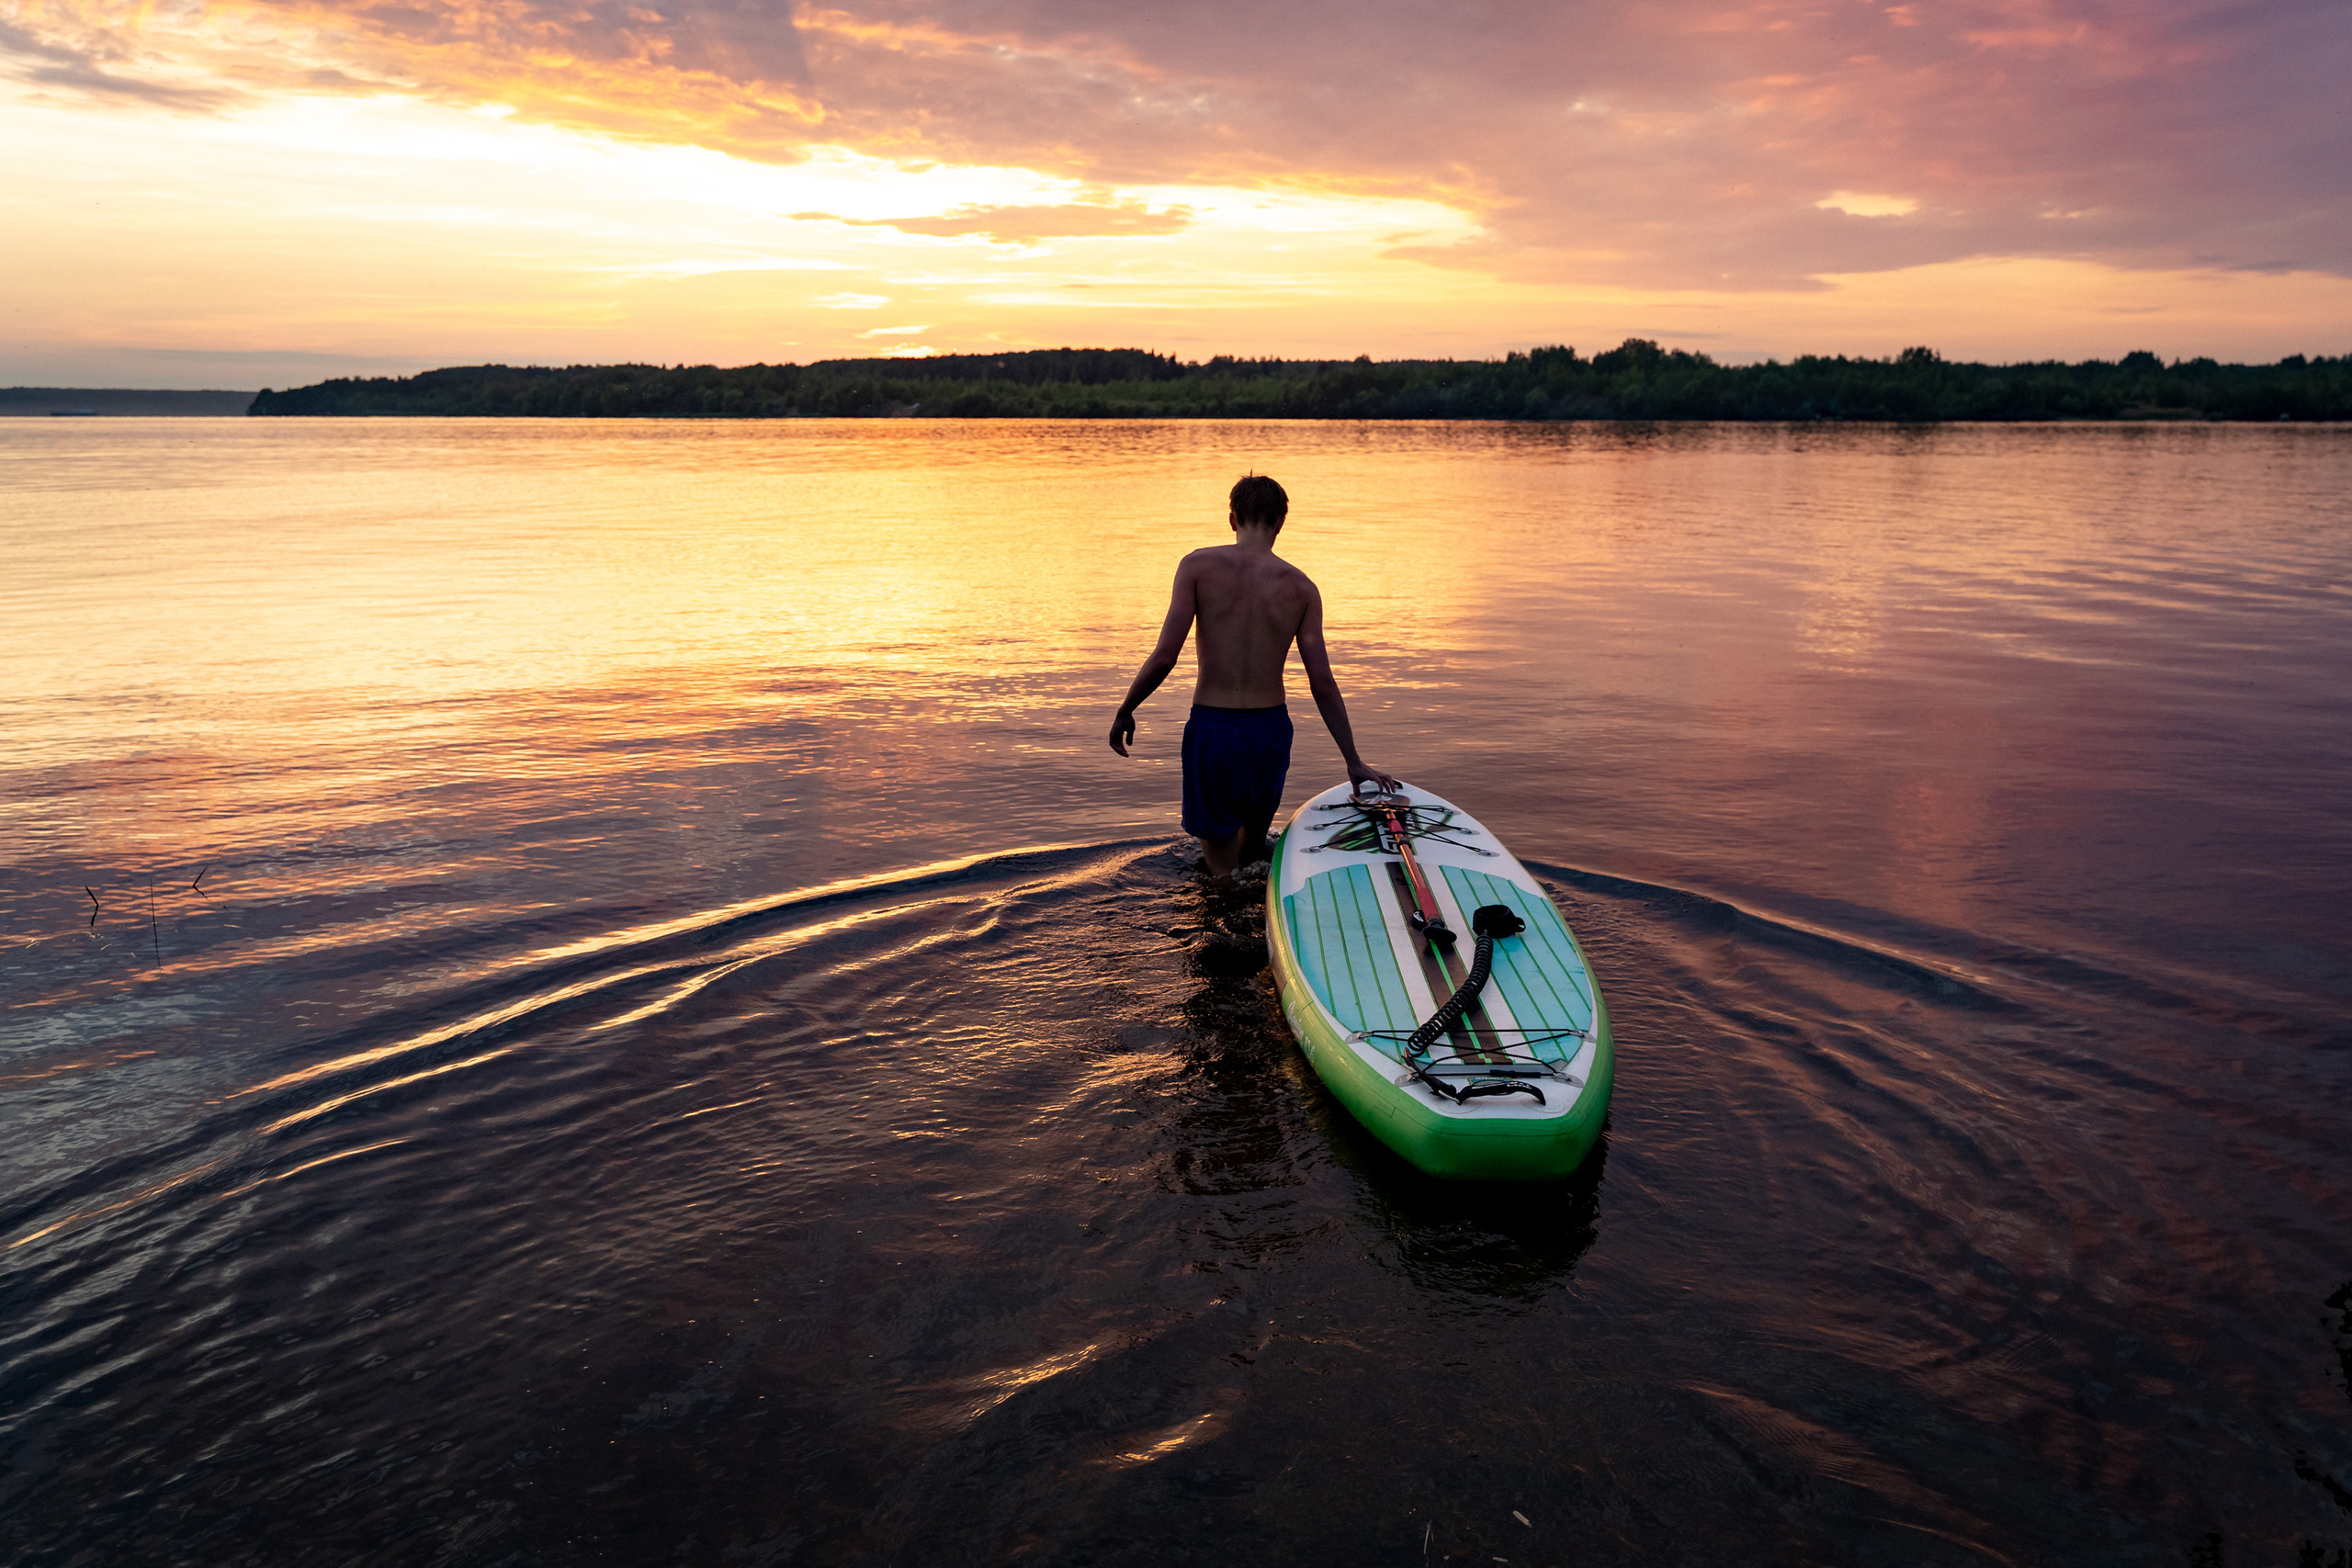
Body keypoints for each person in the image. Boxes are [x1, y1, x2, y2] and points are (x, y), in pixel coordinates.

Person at [1107, 473, 1399, 880]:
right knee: (1253, 855)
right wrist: (1352, 759)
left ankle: (1223, 914)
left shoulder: (1197, 567)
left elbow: (1164, 657)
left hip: (1214, 730)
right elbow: (1322, 683)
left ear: (1232, 518)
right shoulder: (1302, 588)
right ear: (1280, 522)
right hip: (1269, 734)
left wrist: (1127, 709)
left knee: (1222, 872)